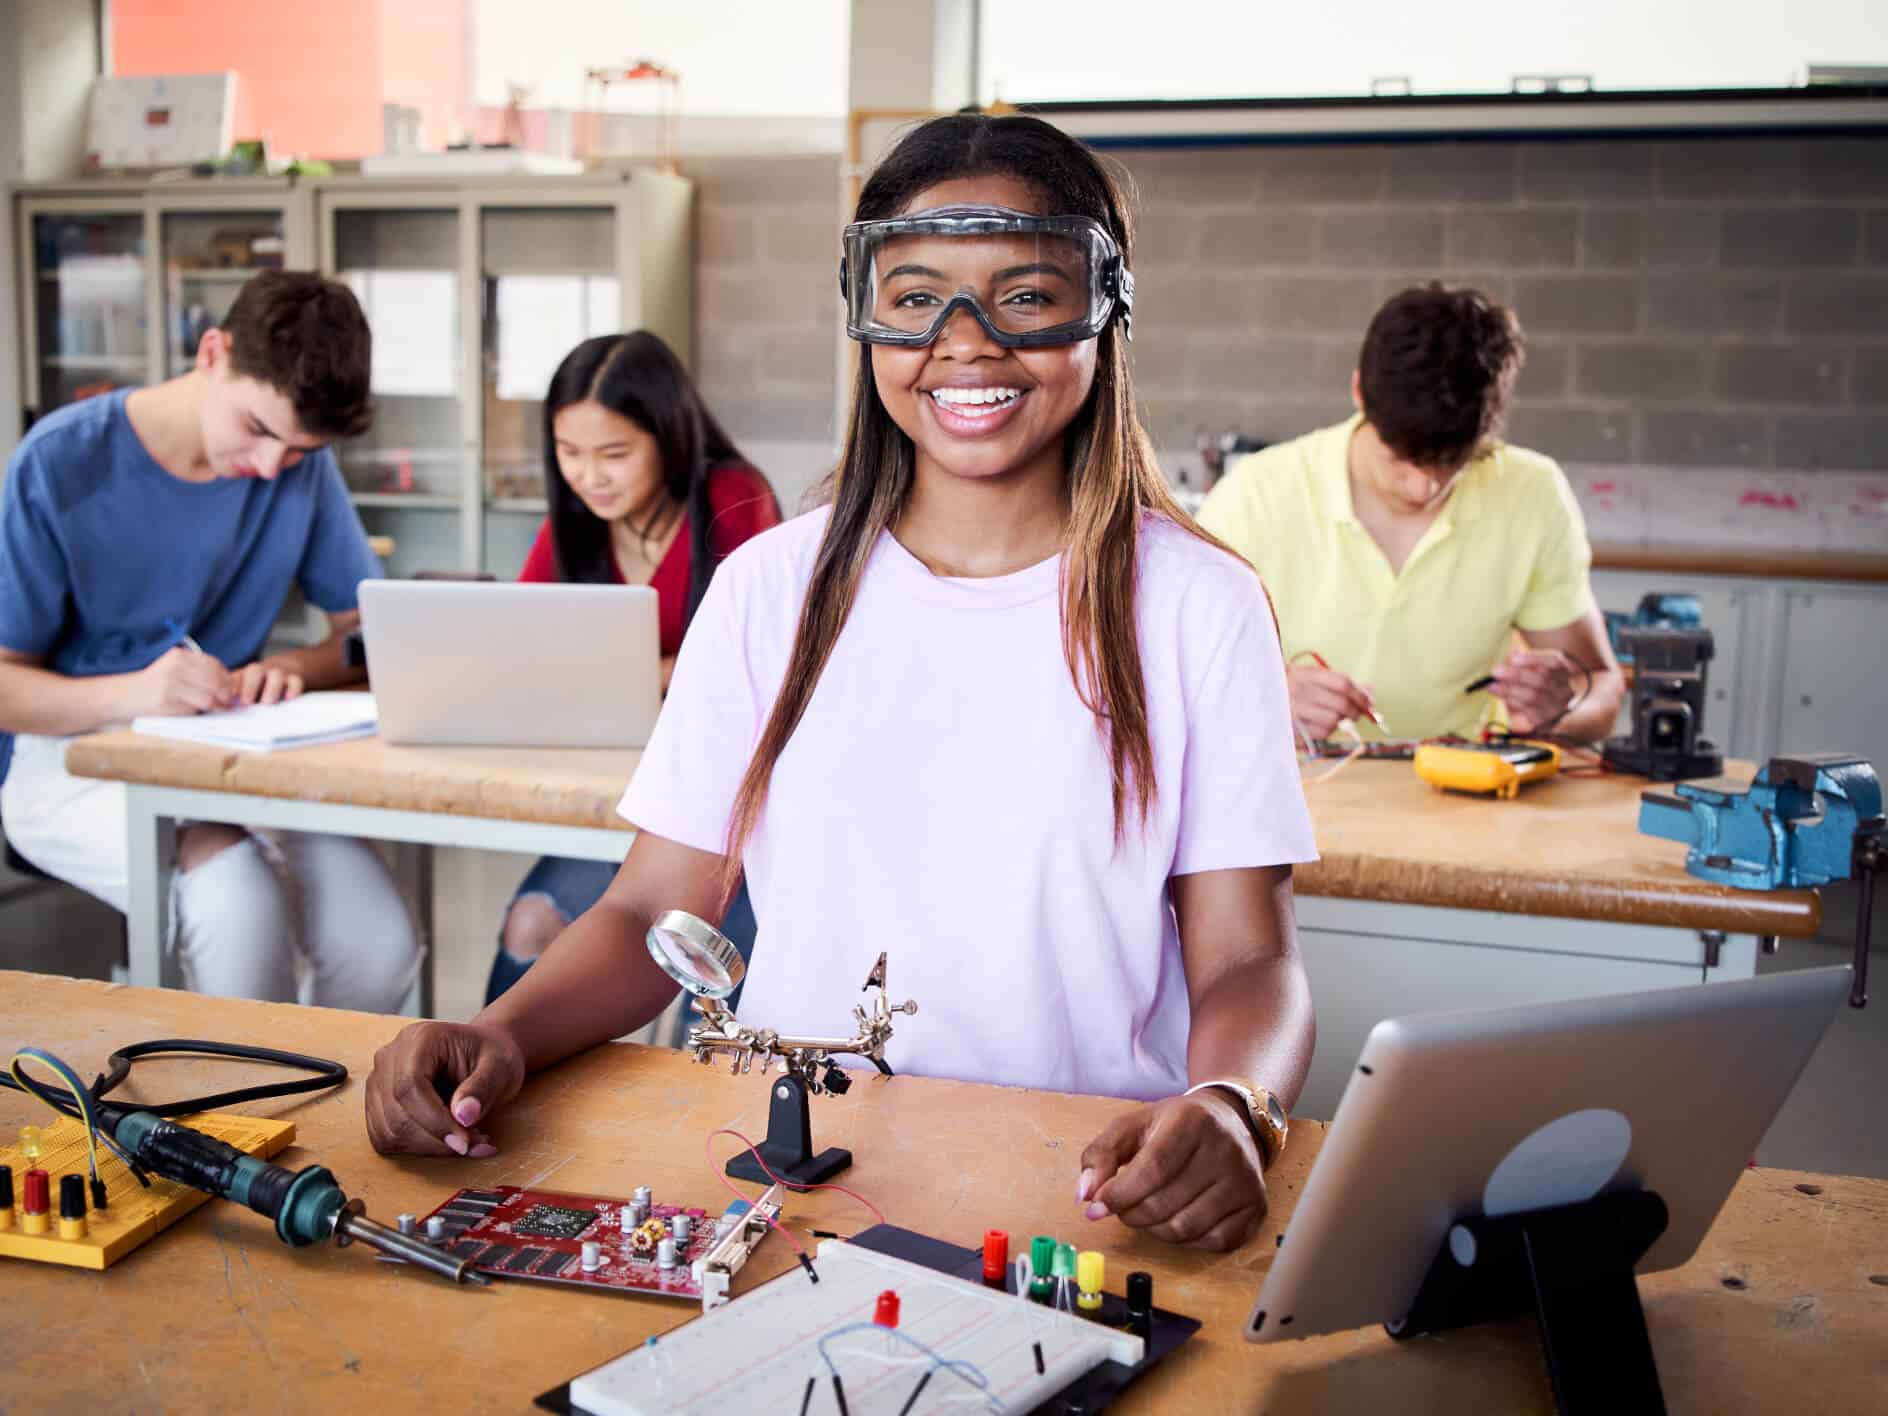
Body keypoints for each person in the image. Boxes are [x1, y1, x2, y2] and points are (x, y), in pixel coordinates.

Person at [364, 114, 1317, 1254]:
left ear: (1104, 306)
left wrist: (1230, 1106)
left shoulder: (1196, 604)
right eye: (915, 298)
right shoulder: (771, 589)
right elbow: (649, 910)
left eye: (1024, 295)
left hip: (1083, 1188)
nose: (964, 343)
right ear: (865, 316)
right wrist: (502, 1035)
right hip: (796, 1183)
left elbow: (1249, 957)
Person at [0, 270, 420, 1010]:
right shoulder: (58, 461)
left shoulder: (299, 466)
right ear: (212, 352)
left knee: (377, 939)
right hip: (72, 754)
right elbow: (7, 685)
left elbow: (369, 641)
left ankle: (340, 1108)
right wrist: (135, 691)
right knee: (236, 901)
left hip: (233, 744)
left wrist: (297, 665)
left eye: (295, 452)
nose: (268, 468)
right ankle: (241, 1118)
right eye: (258, 432)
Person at [486, 332, 781, 1004]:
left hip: (719, 806)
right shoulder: (576, 520)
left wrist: (627, 673)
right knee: (532, 923)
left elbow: (756, 662)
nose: (590, 476)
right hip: (612, 790)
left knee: (707, 969)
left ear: (669, 440)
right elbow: (520, 645)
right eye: (570, 454)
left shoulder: (732, 498)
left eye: (614, 454)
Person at [1197, 284, 1625, 746]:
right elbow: (1160, 683)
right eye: (1401, 460)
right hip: (1297, 799)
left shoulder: (1532, 493)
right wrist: (1261, 699)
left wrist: (1559, 711)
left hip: (1462, 799)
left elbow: (1602, 688)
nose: (1424, 488)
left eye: (1451, 463)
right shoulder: (1255, 495)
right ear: (1359, 391)